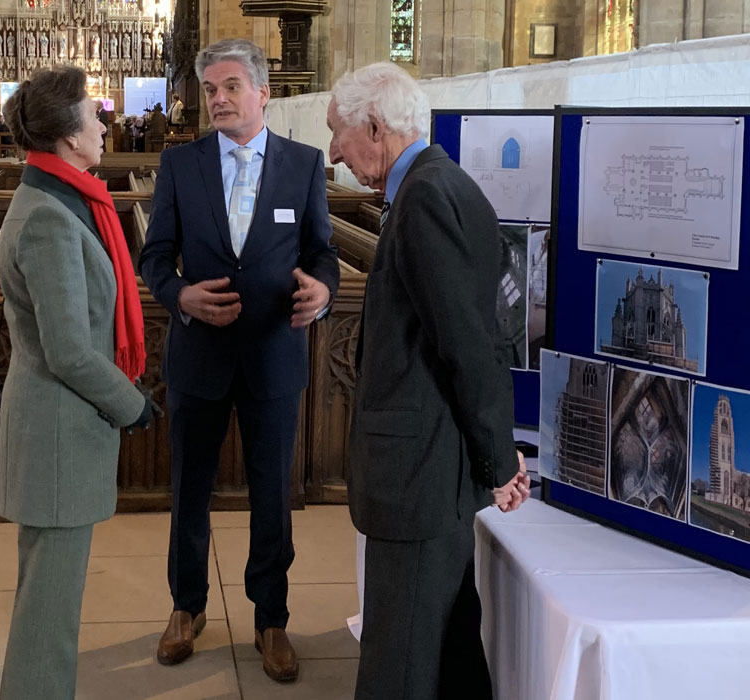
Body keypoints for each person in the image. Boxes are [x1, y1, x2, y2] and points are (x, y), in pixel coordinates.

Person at [326, 62, 531, 700]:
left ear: (376, 127)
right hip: (431, 466)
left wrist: (498, 461)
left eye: (338, 133)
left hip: (420, 471)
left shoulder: (426, 196)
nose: (333, 152)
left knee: (403, 661)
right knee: (445, 643)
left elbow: (468, 346)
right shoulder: (432, 186)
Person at [139, 37, 339, 683]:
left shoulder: (303, 165)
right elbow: (155, 256)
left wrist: (324, 289)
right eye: (210, 90)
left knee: (273, 493)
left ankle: (271, 617)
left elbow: (323, 251)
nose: (219, 99)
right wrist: (179, 295)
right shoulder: (182, 164)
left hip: (273, 355)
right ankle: (186, 607)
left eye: (230, 87)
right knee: (189, 490)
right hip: (199, 354)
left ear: (262, 93)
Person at [0, 66, 159, 700]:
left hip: (60, 427)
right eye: (94, 115)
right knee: (49, 612)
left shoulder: (66, 197)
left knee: (49, 598)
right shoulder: (49, 216)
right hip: (59, 428)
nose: (102, 124)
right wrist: (132, 406)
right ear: (67, 135)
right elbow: (67, 349)